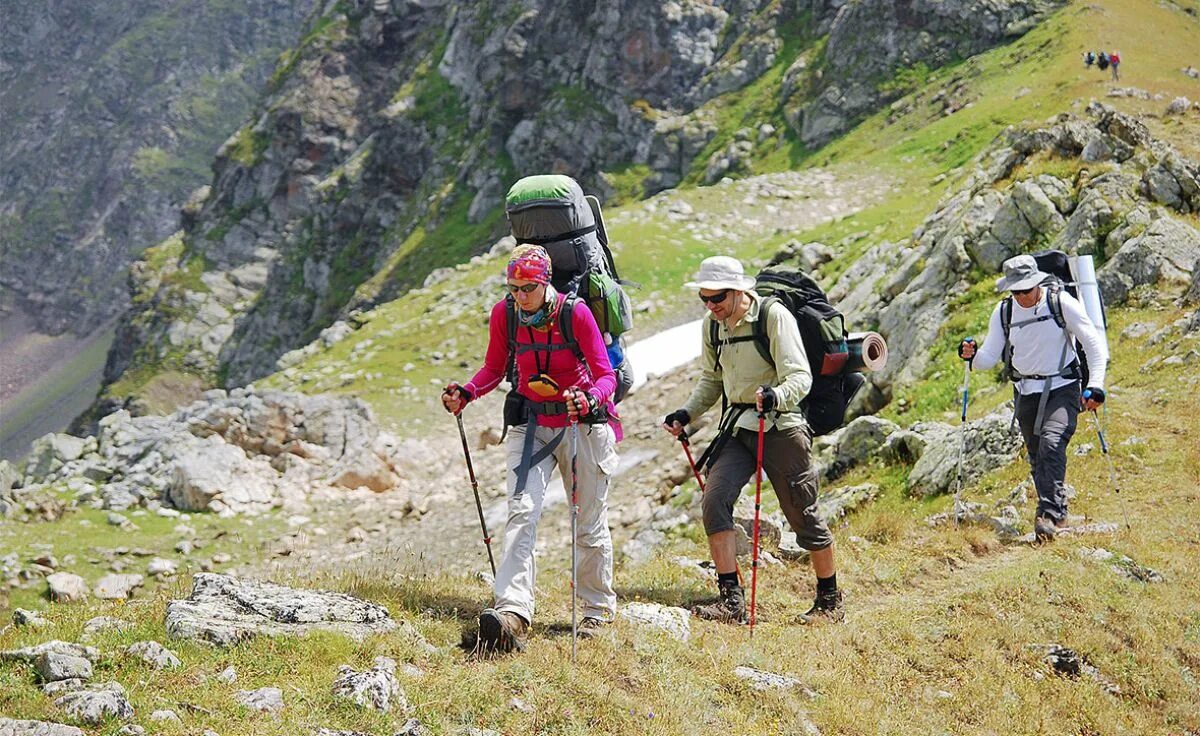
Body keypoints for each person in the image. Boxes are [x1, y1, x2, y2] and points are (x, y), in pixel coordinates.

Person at [442, 244, 621, 653]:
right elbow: (493, 367)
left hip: (582, 426)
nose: (519, 297)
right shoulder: (505, 315)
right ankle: (513, 612)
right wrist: (467, 393)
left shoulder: (575, 314)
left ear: (545, 284)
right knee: (522, 512)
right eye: (513, 287)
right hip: (531, 424)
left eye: (528, 288)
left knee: (588, 521)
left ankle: (596, 609)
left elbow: (605, 374)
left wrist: (591, 398)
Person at [662, 256, 842, 625]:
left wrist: (775, 395)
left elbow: (800, 376)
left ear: (739, 291)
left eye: (717, 299)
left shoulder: (773, 317)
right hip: (737, 426)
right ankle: (731, 601)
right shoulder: (712, 327)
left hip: (781, 424)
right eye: (705, 299)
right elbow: (711, 382)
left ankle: (830, 600)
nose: (711, 307)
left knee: (802, 515)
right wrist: (686, 414)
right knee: (714, 501)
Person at [958, 254, 1108, 542]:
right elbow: (989, 357)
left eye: (1026, 289)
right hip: (1025, 392)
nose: (1022, 296)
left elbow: (1093, 344)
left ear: (1037, 283)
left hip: (1063, 387)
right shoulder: (1004, 312)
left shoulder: (1061, 302)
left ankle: (1049, 515)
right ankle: (1055, 512)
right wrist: (972, 356)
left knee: (1052, 443)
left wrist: (1097, 385)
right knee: (1038, 455)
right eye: (1015, 291)